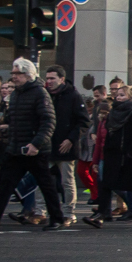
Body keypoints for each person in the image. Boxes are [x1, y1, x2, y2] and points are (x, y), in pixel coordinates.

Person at [0, 59, 65, 231]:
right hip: (17, 148)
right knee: (6, 185)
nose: (14, 77)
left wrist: (36, 144)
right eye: (13, 73)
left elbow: (49, 121)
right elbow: (16, 121)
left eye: (17, 74)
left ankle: (56, 218)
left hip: (36, 149)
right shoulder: (16, 94)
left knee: (46, 185)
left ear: (28, 75)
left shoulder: (39, 93)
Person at [83, 85, 132, 228]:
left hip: (130, 155)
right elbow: (108, 133)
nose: (118, 98)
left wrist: (131, 151)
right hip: (113, 154)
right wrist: (104, 153)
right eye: (118, 95)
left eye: (122, 95)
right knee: (105, 184)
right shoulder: (113, 112)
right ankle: (101, 214)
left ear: (131, 96)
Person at [45, 65, 90, 225]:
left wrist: (71, 139)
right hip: (47, 144)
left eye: (52, 78)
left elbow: (84, 121)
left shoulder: (73, 95)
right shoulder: (45, 95)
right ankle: (40, 211)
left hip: (66, 145)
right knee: (43, 179)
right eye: (47, 78)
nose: (49, 81)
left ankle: (69, 213)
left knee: (67, 181)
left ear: (61, 79)